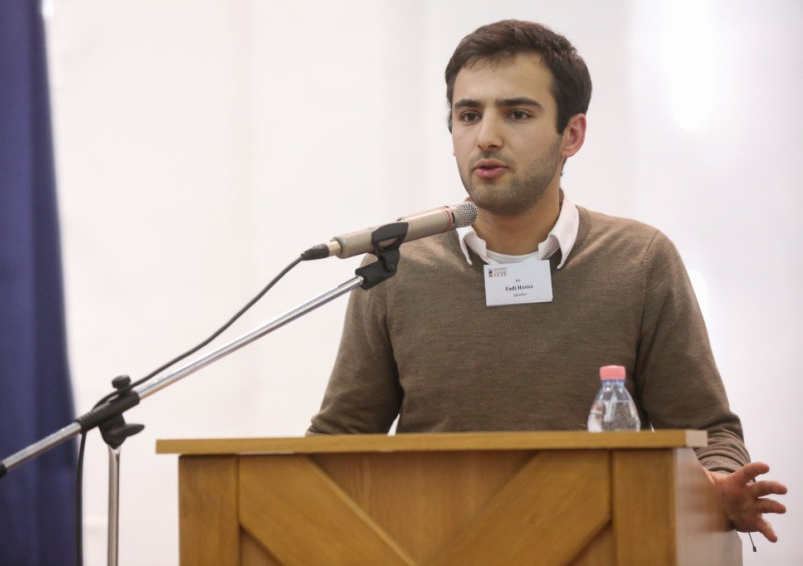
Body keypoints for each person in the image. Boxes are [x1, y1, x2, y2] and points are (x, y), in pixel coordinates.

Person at [308, 19, 786, 542]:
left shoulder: (640, 260)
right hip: (434, 545)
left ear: (572, 135)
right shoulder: (397, 266)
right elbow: (340, 439)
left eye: (517, 114)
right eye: (469, 115)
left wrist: (716, 483)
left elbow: (710, 433)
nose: (486, 137)